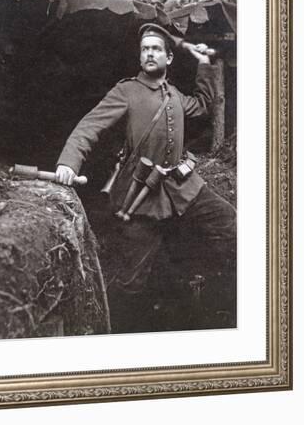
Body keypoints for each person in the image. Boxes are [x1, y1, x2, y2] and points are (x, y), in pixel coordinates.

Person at [55, 23, 236, 332]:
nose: (149, 53)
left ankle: (214, 304)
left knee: (230, 225)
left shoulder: (175, 95)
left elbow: (204, 106)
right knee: (131, 281)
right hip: (140, 194)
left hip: (183, 186)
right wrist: (69, 163)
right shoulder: (126, 91)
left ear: (169, 58)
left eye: (156, 49)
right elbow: (89, 126)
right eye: (145, 49)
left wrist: (204, 64)